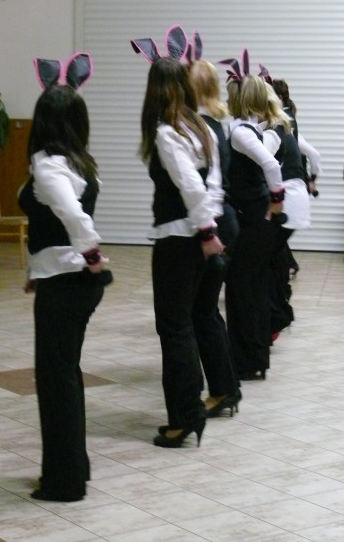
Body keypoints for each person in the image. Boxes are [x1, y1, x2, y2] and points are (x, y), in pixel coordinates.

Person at [18, 57, 110, 502]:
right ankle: (73, 468)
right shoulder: (79, 161)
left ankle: (65, 481)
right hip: (68, 279)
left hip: (70, 280)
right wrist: (37, 271)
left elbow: (71, 216)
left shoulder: (49, 166)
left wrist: (92, 255)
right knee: (65, 377)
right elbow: (52, 225)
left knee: (56, 381)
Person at [138, 55, 224, 447]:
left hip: (177, 240)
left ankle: (185, 417)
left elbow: (191, 185)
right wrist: (209, 226)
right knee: (184, 324)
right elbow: (213, 184)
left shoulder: (167, 132)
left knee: (173, 328)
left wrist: (205, 230)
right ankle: (188, 412)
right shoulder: (200, 127)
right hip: (195, 236)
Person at [221, 60, 285, 381]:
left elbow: (271, 166)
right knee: (254, 287)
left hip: (253, 219)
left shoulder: (239, 132)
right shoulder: (252, 130)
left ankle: (246, 360)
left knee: (242, 288)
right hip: (258, 218)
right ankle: (255, 357)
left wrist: (276, 200)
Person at [190, 53, 241, 417]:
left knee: (202, 312)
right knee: (205, 311)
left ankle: (224, 390)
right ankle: (226, 387)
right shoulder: (217, 123)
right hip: (224, 219)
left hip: (216, 222)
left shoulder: (201, 126)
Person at [262, 82, 309, 337]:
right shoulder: (285, 124)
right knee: (276, 256)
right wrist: (312, 179)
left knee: (267, 259)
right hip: (296, 198)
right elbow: (312, 154)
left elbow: (267, 166)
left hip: (287, 199)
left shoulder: (272, 131)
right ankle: (278, 312)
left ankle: (277, 317)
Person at [272, 78, 321, 276]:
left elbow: (312, 154)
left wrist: (311, 179)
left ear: (279, 97)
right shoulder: (288, 120)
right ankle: (288, 268)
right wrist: (312, 178)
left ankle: (285, 274)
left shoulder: (280, 122)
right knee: (275, 242)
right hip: (294, 189)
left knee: (272, 243)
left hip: (288, 190)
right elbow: (312, 155)